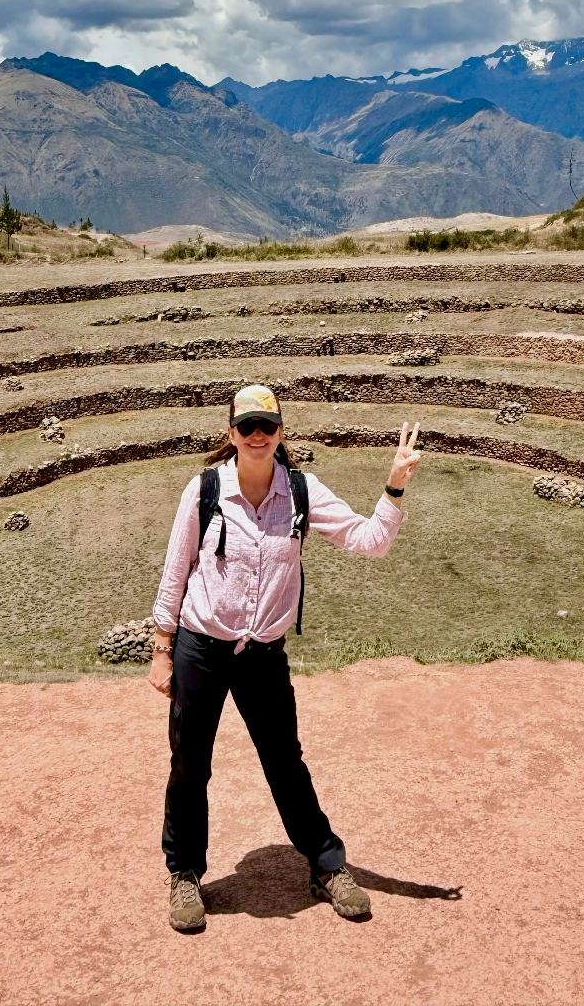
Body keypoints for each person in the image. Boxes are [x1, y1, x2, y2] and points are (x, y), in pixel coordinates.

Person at [150, 383, 421, 933]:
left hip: (264, 653)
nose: (257, 435)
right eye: (246, 426)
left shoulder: (301, 491)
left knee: (285, 762)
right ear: (230, 434)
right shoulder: (202, 490)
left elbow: (370, 541)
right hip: (200, 647)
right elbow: (176, 570)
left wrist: (393, 487)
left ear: (280, 434)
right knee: (189, 765)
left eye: (267, 427)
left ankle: (326, 866)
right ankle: (184, 874)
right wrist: (161, 648)